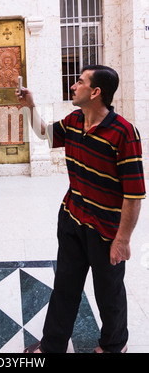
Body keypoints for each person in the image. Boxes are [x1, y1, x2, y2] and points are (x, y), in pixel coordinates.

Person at [16, 65, 146, 353]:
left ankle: (114, 345)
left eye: (79, 82)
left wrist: (122, 240)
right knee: (65, 286)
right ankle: (52, 345)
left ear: (96, 92)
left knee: (108, 293)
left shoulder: (123, 133)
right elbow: (46, 135)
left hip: (106, 230)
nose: (73, 86)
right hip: (73, 217)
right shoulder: (74, 120)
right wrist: (29, 106)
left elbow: (134, 194)